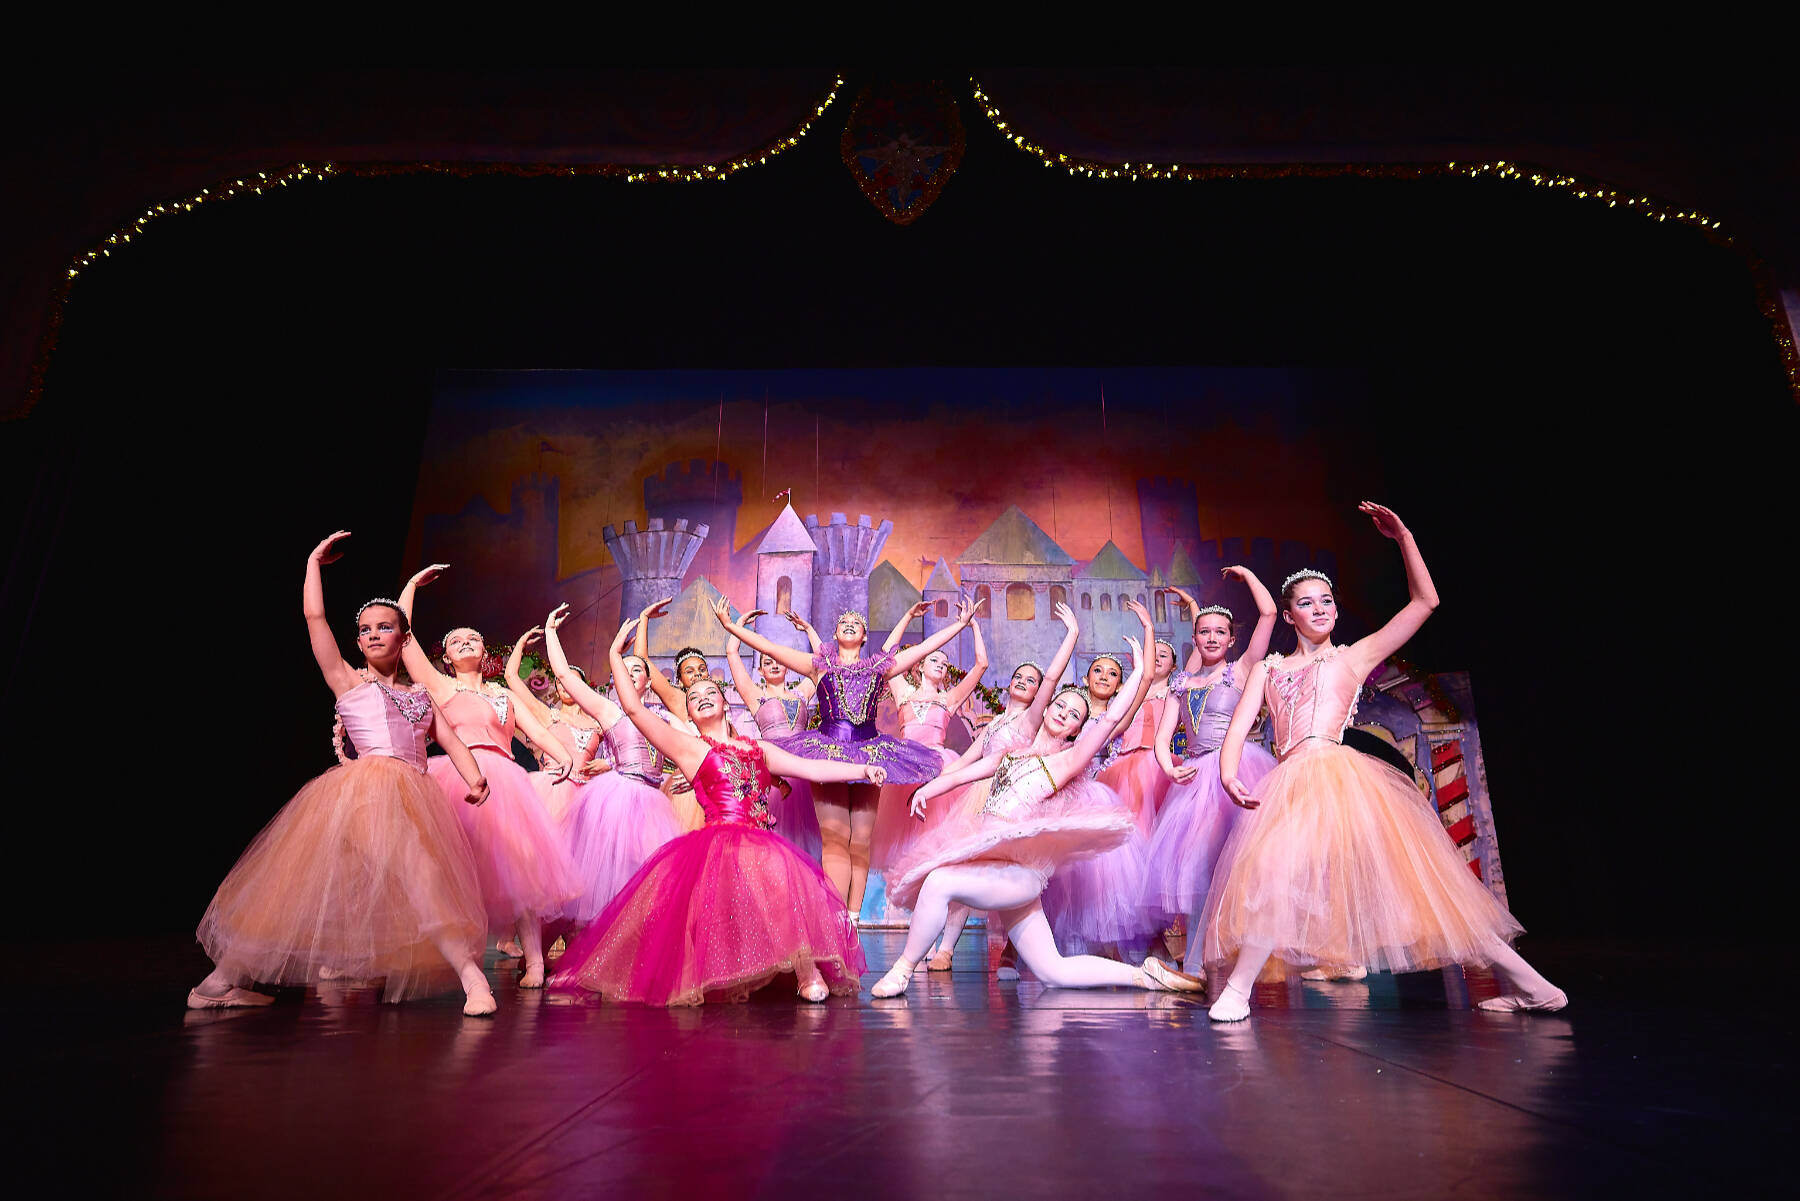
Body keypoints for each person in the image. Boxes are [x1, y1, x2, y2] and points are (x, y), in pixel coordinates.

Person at [1202, 503, 1565, 1021]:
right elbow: (1238, 727)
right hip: (1292, 781)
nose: (1322, 608)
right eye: (1308, 603)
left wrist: (1404, 539)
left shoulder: (1354, 655)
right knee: (1273, 874)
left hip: (1338, 778)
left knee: (1421, 894)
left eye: (1327, 600)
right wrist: (1229, 773)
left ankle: (1535, 986)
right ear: (1289, 615)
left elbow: (1425, 601)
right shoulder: (1268, 668)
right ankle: (1239, 990)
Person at [191, 532, 497, 1016]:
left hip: (411, 797)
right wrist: (313, 561)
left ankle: (217, 983)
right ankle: (472, 978)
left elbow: (452, 742)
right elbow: (315, 618)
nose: (375, 634)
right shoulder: (347, 682)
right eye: (366, 629)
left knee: (330, 893)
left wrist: (475, 776)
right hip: (361, 797)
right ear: (358, 641)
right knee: (416, 877)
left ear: (404, 637)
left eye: (385, 627)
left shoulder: (421, 697)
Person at [550, 612, 887, 1005]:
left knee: (782, 881)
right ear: (689, 714)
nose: (702, 697)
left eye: (710, 693)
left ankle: (805, 969)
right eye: (693, 698)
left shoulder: (757, 748)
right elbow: (636, 710)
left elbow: (810, 767)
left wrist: (862, 767)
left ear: (726, 705)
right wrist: (612, 654)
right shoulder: (689, 748)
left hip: (761, 838)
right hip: (719, 842)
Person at [872, 602, 1195, 997]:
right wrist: (926, 789)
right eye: (1059, 705)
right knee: (1053, 970)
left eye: (1073, 714)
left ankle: (902, 971)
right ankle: (1146, 976)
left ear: (1078, 728)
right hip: (998, 867)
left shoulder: (1064, 762)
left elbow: (1110, 720)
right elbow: (962, 773)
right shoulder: (1010, 755)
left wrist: (1142, 671)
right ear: (1047, 709)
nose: (1062, 713)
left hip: (1021, 875)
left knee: (939, 881)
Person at [712, 597, 981, 915]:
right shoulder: (818, 665)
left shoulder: (882, 668)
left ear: (865, 637)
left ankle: (853, 918)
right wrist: (730, 627)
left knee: (861, 839)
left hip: (871, 751)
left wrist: (959, 625)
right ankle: (836, 916)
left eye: (857, 622)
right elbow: (771, 649)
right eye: (843, 622)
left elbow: (921, 651)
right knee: (835, 836)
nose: (850, 623)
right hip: (827, 751)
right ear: (835, 635)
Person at [398, 566, 579, 990]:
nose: (465, 643)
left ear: (484, 652)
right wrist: (409, 589)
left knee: (520, 871)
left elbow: (532, 731)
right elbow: (403, 642)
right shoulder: (441, 687)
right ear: (445, 655)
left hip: (506, 781)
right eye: (456, 640)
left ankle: (535, 962)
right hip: (460, 778)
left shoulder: (503, 693)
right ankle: (465, 965)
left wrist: (561, 756)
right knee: (453, 872)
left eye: (473, 639)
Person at [908, 602, 1082, 971]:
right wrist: (931, 786)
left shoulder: (1034, 721)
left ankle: (1004, 951)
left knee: (994, 879)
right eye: (1018, 677)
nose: (1023, 682)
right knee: (961, 872)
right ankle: (944, 947)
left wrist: (1070, 636)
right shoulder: (994, 723)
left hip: (1010, 800)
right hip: (979, 798)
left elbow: (1052, 678)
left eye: (1030, 680)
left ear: (1039, 695)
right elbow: (968, 762)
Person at [1141, 567, 1280, 983]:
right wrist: (1168, 765)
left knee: (1250, 866)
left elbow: (1270, 614)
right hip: (1197, 779)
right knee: (1200, 872)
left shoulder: (1240, 671)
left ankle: (1256, 954)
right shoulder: (1181, 682)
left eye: (1221, 631)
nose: (1213, 638)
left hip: (1238, 769)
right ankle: (1197, 964)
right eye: (1205, 632)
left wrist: (1250, 576)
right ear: (1195, 638)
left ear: (1232, 638)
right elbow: (1164, 737)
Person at [539, 608, 685, 930]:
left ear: (648, 680)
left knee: (652, 882)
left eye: (637, 669)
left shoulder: (664, 718)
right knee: (609, 882)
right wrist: (551, 631)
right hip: (619, 799)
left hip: (653, 801)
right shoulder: (609, 711)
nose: (630, 673)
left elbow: (693, 744)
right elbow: (564, 676)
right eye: (624, 667)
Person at [870, 606, 990, 868]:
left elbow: (982, 664)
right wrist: (907, 616)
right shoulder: (903, 692)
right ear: (920, 665)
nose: (941, 665)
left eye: (945, 664)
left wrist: (973, 626)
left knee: (932, 834)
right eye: (934, 660)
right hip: (904, 765)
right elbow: (886, 656)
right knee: (903, 836)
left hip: (938, 765)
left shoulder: (949, 699)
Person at [721, 611, 823, 861]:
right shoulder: (756, 697)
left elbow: (823, 664)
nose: (775, 664)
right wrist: (738, 625)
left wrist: (809, 630)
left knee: (806, 846)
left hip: (804, 774)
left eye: (777, 660)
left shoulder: (802, 692)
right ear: (761, 670)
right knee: (773, 846)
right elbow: (732, 655)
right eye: (767, 662)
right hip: (772, 776)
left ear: (787, 666)